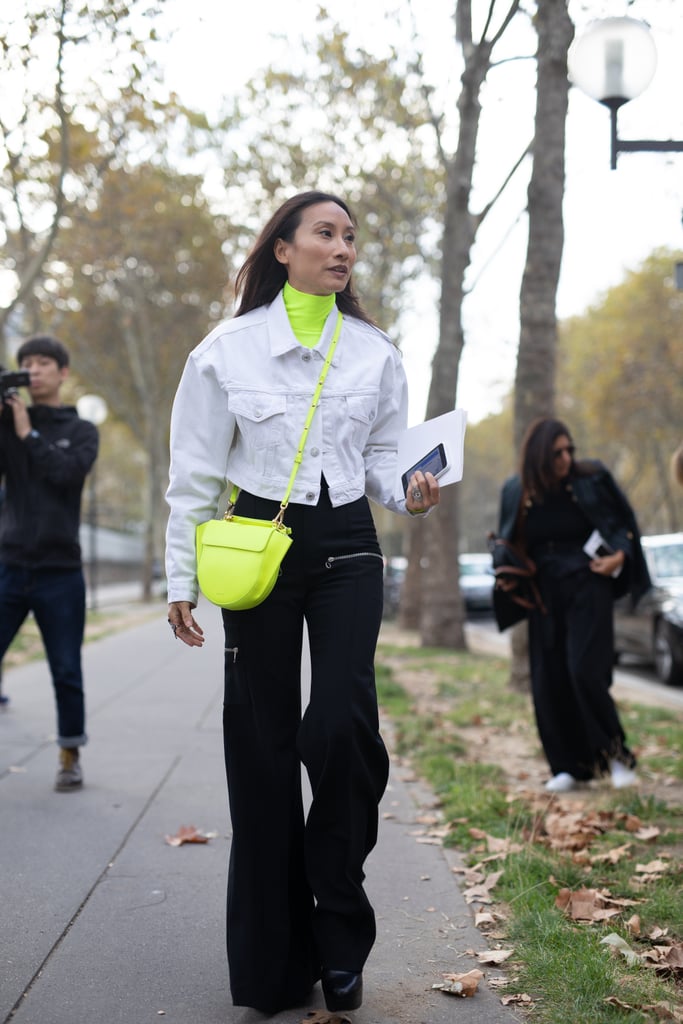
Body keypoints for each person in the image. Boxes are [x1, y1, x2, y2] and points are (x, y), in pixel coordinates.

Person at [165, 191, 440, 1015]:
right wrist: (181, 579)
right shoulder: (225, 351)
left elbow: (387, 458)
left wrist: (413, 490)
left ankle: (339, 929)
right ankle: (273, 964)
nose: (342, 247)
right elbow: (194, 478)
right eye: (325, 233)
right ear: (281, 248)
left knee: (342, 725)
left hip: (350, 545)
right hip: (258, 548)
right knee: (262, 746)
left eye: (350, 236)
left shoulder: (375, 351)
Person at [495, 417, 650, 794]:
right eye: (556, 453)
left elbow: (624, 525)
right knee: (549, 678)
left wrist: (621, 558)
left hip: (589, 584)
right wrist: (505, 571)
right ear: (538, 457)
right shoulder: (517, 489)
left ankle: (615, 757)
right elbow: (507, 540)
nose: (565, 458)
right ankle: (568, 766)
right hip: (544, 594)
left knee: (585, 671)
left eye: (569, 450)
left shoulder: (592, 477)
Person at [0, 335, 99, 789]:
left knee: (65, 667)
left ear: (62, 372)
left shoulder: (81, 431)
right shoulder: (7, 423)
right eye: (26, 363)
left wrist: (28, 434)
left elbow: (65, 474)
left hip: (60, 572)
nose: (33, 370)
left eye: (43, 363)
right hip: (10, 564)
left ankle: (69, 753)